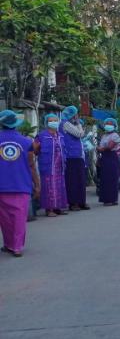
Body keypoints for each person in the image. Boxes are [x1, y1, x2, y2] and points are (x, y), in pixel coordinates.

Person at [0, 110, 40, 257]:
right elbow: (31, 165)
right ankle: (17, 247)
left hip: (2, 186)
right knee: (19, 218)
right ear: (15, 124)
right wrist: (37, 185)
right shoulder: (27, 142)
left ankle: (8, 244)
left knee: (4, 218)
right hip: (21, 184)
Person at [33, 113, 68, 217]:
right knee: (49, 187)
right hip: (47, 166)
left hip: (59, 166)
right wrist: (37, 148)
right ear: (46, 123)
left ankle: (58, 208)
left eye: (55, 121)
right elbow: (35, 150)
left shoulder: (61, 135)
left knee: (59, 186)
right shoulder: (41, 136)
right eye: (51, 121)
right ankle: (49, 209)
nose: (53, 122)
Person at [60, 106, 89, 211]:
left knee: (81, 180)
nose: (77, 116)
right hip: (70, 156)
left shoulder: (71, 124)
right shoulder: (65, 124)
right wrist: (78, 124)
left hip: (78, 156)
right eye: (76, 114)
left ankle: (81, 201)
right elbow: (79, 134)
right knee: (72, 180)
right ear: (72, 115)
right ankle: (73, 203)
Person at [97, 117, 120, 206]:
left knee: (111, 178)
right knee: (104, 178)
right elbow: (101, 148)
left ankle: (112, 199)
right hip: (104, 157)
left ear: (114, 126)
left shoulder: (115, 135)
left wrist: (100, 149)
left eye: (110, 124)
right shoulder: (104, 136)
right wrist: (99, 157)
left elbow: (110, 147)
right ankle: (106, 199)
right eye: (107, 124)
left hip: (111, 157)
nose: (108, 126)